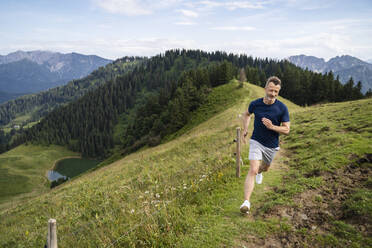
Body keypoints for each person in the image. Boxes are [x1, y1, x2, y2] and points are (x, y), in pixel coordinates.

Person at [240, 76, 290, 213]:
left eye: (276, 92)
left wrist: (273, 127)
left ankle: (261, 172)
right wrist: (245, 130)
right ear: (265, 88)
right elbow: (246, 114)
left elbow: (286, 129)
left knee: (265, 168)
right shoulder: (255, 104)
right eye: (271, 90)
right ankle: (246, 202)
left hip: (272, 145)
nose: (272, 94)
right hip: (256, 141)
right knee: (253, 169)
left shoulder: (282, 108)